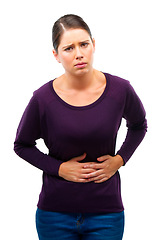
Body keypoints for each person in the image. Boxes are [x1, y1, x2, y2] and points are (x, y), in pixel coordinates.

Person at [14, 14, 147, 240]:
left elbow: (139, 125)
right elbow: (22, 145)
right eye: (68, 48)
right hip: (54, 215)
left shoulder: (120, 90)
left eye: (84, 44)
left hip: (106, 214)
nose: (79, 54)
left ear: (93, 45)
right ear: (56, 55)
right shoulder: (43, 99)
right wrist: (59, 168)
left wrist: (120, 159)